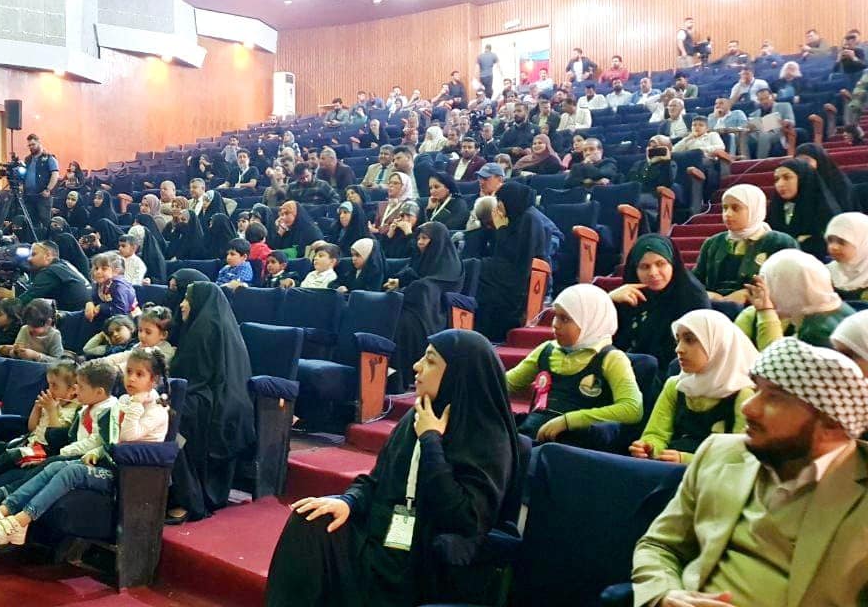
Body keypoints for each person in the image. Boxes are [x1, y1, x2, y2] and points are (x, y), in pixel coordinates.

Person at [265, 329, 518, 607]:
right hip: (384, 540)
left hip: (426, 560)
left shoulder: (486, 436)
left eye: (431, 361)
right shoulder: (418, 414)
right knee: (310, 518)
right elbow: (376, 480)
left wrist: (430, 440)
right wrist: (349, 501)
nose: (417, 366)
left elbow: (464, 519)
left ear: (458, 373)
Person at [631, 337, 868, 607]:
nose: (748, 408)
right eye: (756, 390)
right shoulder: (720, 452)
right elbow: (660, 545)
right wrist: (665, 594)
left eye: (775, 398)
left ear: (831, 424)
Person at [0, 350, 170, 548]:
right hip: (109, 461)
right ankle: (4, 510)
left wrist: (136, 405)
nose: (131, 378)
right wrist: (98, 451)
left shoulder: (157, 410)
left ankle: (18, 522)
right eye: (129, 372)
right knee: (56, 466)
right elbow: (112, 439)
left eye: (139, 374)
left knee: (72, 471)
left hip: (129, 476)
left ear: (153, 380)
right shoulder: (125, 401)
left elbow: (128, 436)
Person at [506, 284, 643, 446]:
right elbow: (506, 384)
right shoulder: (547, 349)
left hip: (576, 444)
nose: (555, 324)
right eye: (555, 316)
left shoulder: (611, 358)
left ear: (590, 322)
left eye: (565, 319)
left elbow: (633, 409)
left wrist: (568, 421)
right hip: (533, 435)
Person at [167, 282, 255, 523]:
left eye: (187, 299)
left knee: (171, 418)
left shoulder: (205, 329)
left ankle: (189, 498)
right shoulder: (206, 324)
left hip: (218, 404)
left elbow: (194, 378)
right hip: (216, 397)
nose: (182, 304)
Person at [630, 309, 756, 464]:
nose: (678, 349)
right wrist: (648, 447)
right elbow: (656, 434)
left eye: (689, 340)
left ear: (718, 344)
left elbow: (739, 458)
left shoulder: (743, 395)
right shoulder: (675, 385)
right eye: (678, 341)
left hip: (711, 475)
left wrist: (686, 459)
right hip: (667, 466)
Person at [611, 234, 711, 372]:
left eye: (660, 264)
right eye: (644, 267)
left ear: (672, 264)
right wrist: (608, 301)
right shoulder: (626, 297)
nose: (653, 272)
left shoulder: (692, 297)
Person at [474, 182, 552, 341]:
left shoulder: (529, 219)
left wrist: (501, 229)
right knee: (475, 268)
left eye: (500, 200)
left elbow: (520, 257)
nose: (498, 205)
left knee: (476, 268)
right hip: (509, 272)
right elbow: (500, 254)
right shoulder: (516, 216)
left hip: (523, 277)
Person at [694, 184, 798, 303]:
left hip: (760, 308)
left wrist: (749, 294)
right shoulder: (712, 243)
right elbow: (695, 282)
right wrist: (706, 294)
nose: (727, 214)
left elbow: (790, 283)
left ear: (754, 209)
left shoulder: (781, 242)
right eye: (725, 208)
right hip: (713, 307)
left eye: (735, 208)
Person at [736, 248, 855, 350]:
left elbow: (775, 363)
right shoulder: (838, 308)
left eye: (770, 283)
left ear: (788, 288)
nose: (766, 291)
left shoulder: (814, 334)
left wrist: (766, 312)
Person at [767, 159, 838, 260]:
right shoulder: (775, 207)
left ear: (803, 178)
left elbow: (830, 243)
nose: (780, 184)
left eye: (787, 177)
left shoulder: (823, 208)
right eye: (776, 179)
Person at [16, 241, 91, 311]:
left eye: (33, 254)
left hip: (77, 315)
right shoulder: (65, 264)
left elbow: (27, 298)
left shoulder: (50, 271)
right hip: (87, 309)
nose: (29, 259)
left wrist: (12, 301)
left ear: (48, 255)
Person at [796, 142, 857, 212]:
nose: (802, 164)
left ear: (819, 160)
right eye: (798, 161)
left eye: (806, 160)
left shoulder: (839, 182)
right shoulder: (797, 181)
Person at [21, 133, 60, 234]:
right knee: (31, 223)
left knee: (46, 223)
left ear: (39, 143)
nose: (31, 147)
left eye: (33, 144)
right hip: (29, 196)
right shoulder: (28, 159)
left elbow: (55, 174)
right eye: (29, 145)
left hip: (42, 196)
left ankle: (48, 241)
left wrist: (48, 189)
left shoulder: (49, 158)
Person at [825, 212, 868, 300]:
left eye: (841, 242)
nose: (833, 247)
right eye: (830, 240)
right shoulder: (824, 272)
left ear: (863, 243)